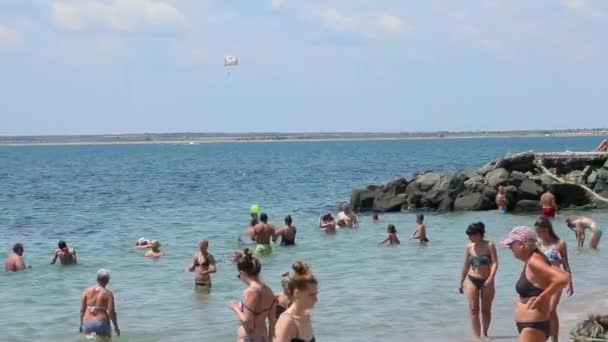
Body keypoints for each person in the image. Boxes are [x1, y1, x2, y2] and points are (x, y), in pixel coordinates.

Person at [501, 226, 570, 342]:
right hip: (531, 325)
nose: (510, 249)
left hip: (533, 326)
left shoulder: (535, 261)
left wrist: (544, 296)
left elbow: (564, 277)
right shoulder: (534, 258)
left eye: (511, 245)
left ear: (521, 244)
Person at [535, 216, 574, 342]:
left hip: (556, 281)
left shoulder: (560, 243)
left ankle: (555, 339)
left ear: (546, 229)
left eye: (539, 231)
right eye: (537, 232)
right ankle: (543, 337)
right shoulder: (538, 244)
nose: (538, 234)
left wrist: (570, 282)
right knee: (542, 311)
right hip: (541, 281)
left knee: (551, 310)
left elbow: (566, 263)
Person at [458, 222, 498, 340]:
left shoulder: (490, 245)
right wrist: (461, 281)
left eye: (471, 235)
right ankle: (476, 336)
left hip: (487, 280)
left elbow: (495, 263)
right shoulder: (469, 247)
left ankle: (484, 333)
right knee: (474, 310)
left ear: (479, 234)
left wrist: (491, 278)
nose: (469, 238)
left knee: (486, 310)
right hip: (472, 279)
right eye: (469, 235)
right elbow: (465, 265)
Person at [230, 248, 277, 342]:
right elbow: (272, 322)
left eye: (239, 275)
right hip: (264, 337)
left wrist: (235, 308)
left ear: (242, 273)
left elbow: (247, 322)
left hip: (249, 338)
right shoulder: (269, 291)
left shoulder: (249, 292)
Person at [275, 261, 318, 342]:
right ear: (297, 293)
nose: (316, 299)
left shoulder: (306, 315)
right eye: (311, 295)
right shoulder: (287, 321)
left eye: (316, 294)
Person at [79, 269, 120, 338]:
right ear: (107, 280)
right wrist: (116, 326)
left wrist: (81, 324)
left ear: (96, 278)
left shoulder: (86, 291)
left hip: (87, 322)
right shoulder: (108, 294)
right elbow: (111, 312)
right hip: (101, 322)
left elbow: (82, 310)